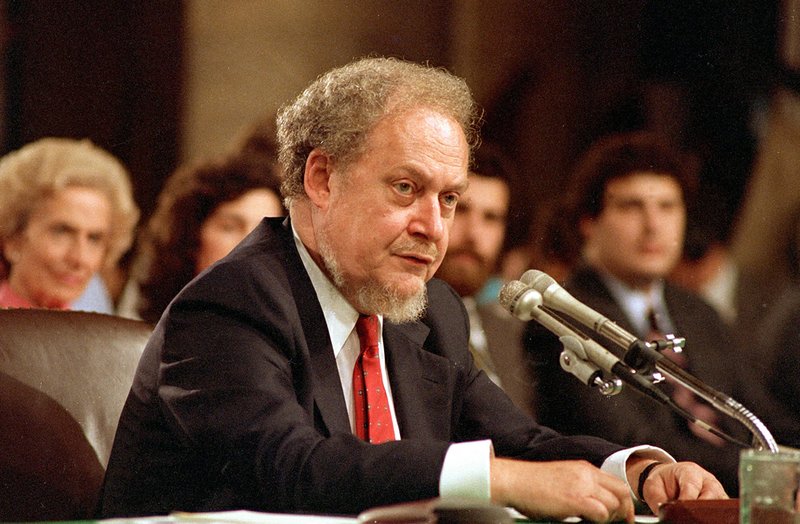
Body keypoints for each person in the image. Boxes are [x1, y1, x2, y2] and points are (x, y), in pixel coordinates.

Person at [99, 57, 724, 522]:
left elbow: (520, 443)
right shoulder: (232, 303)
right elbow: (293, 467)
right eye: (405, 189)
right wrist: (495, 480)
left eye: (449, 199)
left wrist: (638, 470)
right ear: (322, 177)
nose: (434, 227)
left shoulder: (427, 311)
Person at [523, 131, 752, 495]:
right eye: (631, 207)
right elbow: (632, 441)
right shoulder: (563, 315)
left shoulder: (700, 312)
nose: (653, 225)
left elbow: (759, 412)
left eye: (667, 206)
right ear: (588, 222)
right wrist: (765, 473)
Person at [123, 149, 285, 323]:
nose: (252, 244)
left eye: (266, 232)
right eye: (229, 227)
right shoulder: (146, 334)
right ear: (191, 236)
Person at [434, 144, 534, 415]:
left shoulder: (510, 334)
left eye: (491, 218)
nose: (473, 234)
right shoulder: (395, 329)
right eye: (461, 209)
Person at [0, 138, 138, 310]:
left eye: (94, 238)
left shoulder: (101, 332)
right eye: (61, 232)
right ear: (13, 239)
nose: (79, 258)